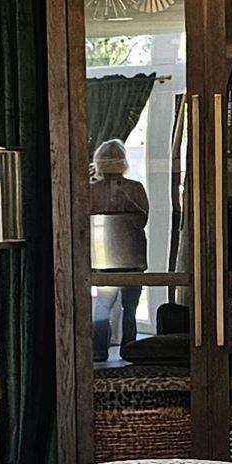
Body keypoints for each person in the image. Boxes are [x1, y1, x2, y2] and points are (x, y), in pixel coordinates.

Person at [88, 139, 150, 357]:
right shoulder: (135, 188)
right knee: (129, 307)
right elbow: (143, 220)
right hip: (131, 256)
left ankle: (99, 350)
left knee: (104, 306)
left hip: (104, 256)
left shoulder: (91, 191)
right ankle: (129, 349)